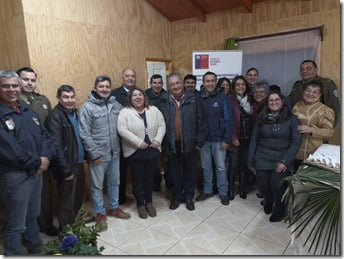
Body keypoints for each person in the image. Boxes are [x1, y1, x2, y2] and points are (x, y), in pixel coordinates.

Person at [0, 70, 54, 255]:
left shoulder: (27, 110)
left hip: (36, 172)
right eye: (5, 86)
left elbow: (45, 136)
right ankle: (13, 253)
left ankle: (35, 247)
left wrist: (45, 158)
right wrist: (37, 162)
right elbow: (9, 149)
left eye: (14, 85)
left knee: (33, 215)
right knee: (16, 223)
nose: (11, 89)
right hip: (15, 176)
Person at [79, 75, 130, 230]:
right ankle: (100, 212)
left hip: (115, 153)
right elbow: (84, 133)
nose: (104, 89)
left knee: (115, 183)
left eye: (107, 86)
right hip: (98, 156)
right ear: (95, 87)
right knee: (97, 186)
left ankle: (114, 207)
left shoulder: (115, 104)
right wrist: (94, 154)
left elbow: (127, 118)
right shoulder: (87, 107)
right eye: (101, 87)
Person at [247, 91, 302, 222]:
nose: (274, 102)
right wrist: (251, 159)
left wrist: (285, 161)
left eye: (277, 100)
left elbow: (295, 142)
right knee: (262, 185)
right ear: (267, 103)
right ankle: (268, 200)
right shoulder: (261, 118)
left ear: (282, 102)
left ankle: (279, 208)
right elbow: (254, 139)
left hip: (282, 158)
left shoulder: (292, 119)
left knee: (276, 185)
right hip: (262, 157)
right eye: (271, 100)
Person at [156, 72, 208, 211]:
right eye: (172, 84)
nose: (176, 86)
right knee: (174, 173)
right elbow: (158, 122)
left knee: (190, 172)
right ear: (168, 87)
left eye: (178, 83)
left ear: (182, 83)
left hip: (191, 144)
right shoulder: (163, 101)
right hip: (171, 144)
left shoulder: (194, 99)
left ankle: (189, 197)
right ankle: (177, 197)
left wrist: (199, 142)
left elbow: (202, 121)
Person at [16, 67, 57, 236]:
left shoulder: (43, 101)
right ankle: (26, 232)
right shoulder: (11, 102)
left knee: (45, 194)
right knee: (23, 199)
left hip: (43, 157)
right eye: (25, 79)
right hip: (21, 160)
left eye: (33, 80)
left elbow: (49, 130)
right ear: (18, 80)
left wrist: (46, 156)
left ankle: (45, 225)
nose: (29, 83)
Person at [118, 87, 166, 218]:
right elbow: (122, 130)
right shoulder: (125, 112)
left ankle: (149, 203)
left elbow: (162, 125)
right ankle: (140, 204)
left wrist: (157, 140)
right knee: (137, 179)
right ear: (130, 98)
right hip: (134, 152)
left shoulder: (154, 110)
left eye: (140, 95)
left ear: (144, 97)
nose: (138, 97)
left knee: (149, 179)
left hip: (151, 150)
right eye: (134, 95)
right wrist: (138, 143)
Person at [45, 85, 85, 231]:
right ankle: (66, 233)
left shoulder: (74, 112)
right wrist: (66, 170)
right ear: (58, 98)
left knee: (77, 198)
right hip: (67, 165)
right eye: (65, 97)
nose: (69, 100)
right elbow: (56, 146)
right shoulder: (55, 116)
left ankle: (74, 226)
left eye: (72, 97)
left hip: (78, 162)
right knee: (66, 202)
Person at [196, 71, 235, 206]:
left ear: (215, 82)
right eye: (207, 81)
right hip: (203, 141)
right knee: (206, 167)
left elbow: (229, 120)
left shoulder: (223, 97)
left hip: (219, 140)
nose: (210, 83)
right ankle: (207, 190)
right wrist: (197, 140)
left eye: (213, 81)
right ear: (203, 83)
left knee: (220, 167)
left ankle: (223, 192)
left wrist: (226, 139)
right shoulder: (198, 97)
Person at [292, 80, 334, 172]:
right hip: (295, 150)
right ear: (304, 92)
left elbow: (329, 132)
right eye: (308, 90)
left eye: (315, 92)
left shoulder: (325, 110)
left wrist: (311, 130)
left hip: (314, 152)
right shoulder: (297, 106)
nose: (310, 94)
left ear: (320, 95)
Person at [111, 68, 136, 205]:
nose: (130, 78)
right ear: (122, 77)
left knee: (137, 171)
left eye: (132, 76)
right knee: (120, 172)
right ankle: (120, 198)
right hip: (119, 140)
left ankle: (138, 195)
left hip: (136, 140)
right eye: (127, 76)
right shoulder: (114, 94)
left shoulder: (139, 93)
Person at [288, 60, 340, 126]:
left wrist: (327, 129)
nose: (304, 71)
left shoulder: (326, 84)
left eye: (308, 68)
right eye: (302, 69)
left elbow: (334, 108)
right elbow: (290, 102)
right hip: (297, 126)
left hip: (315, 129)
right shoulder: (298, 85)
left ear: (316, 70)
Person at [227, 76, 252, 200]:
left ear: (246, 86)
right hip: (235, 139)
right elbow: (227, 121)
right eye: (237, 85)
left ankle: (242, 189)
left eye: (242, 84)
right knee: (233, 165)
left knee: (244, 165)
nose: (240, 87)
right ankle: (230, 190)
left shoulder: (250, 100)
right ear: (233, 87)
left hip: (247, 138)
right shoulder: (230, 100)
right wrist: (232, 137)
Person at [145, 74, 170, 192]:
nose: (157, 85)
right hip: (151, 133)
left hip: (167, 132)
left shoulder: (167, 95)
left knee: (167, 159)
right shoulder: (144, 95)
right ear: (151, 83)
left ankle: (169, 182)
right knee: (153, 160)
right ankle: (155, 183)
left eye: (159, 83)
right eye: (154, 83)